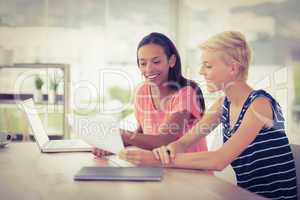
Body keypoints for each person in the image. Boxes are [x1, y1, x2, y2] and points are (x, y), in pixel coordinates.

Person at [120, 31, 298, 199]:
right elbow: (184, 142)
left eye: (208, 65)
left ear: (233, 68)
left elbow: (218, 160)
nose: (201, 71)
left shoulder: (259, 105)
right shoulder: (223, 104)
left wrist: (158, 160)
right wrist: (165, 152)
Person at [93, 32, 207, 157]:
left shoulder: (186, 93)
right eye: (143, 63)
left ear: (172, 61)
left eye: (156, 62)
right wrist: (113, 144)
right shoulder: (142, 92)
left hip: (192, 171)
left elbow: (164, 140)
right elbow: (142, 135)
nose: (149, 69)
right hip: (160, 168)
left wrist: (120, 134)